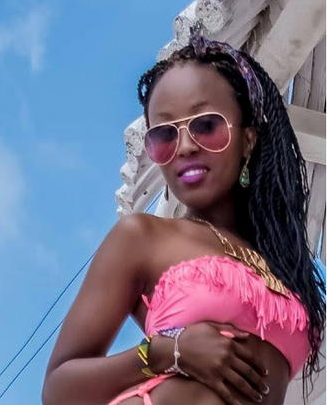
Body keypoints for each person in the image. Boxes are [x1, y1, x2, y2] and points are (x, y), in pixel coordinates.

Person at [42, 31, 325, 405]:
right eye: (164, 135)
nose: (186, 146)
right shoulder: (142, 236)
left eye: (206, 125)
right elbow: (59, 389)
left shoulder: (283, 264)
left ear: (248, 140)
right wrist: (168, 351)